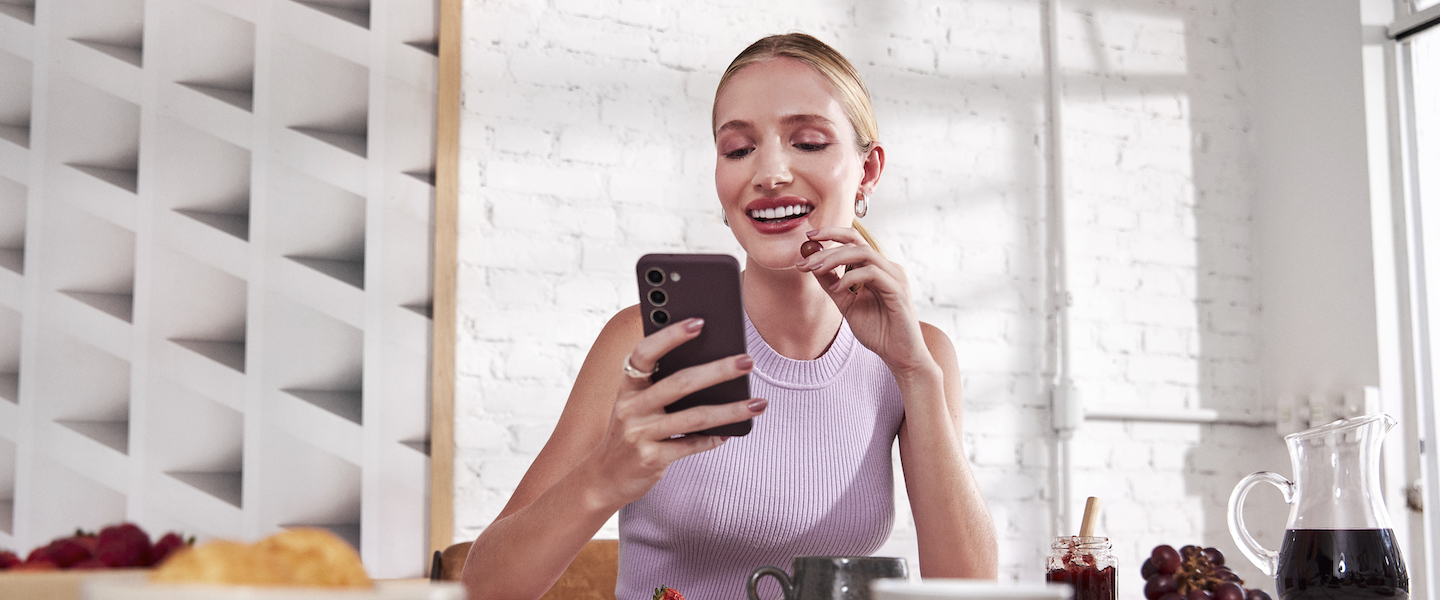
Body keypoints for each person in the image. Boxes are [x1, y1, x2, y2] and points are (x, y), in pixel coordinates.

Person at [463, 32, 998, 600]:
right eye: (739, 149)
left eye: (809, 142)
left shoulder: (919, 355)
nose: (768, 172)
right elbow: (483, 587)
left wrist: (917, 374)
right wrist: (606, 476)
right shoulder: (649, 339)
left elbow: (971, 591)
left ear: (868, 171)